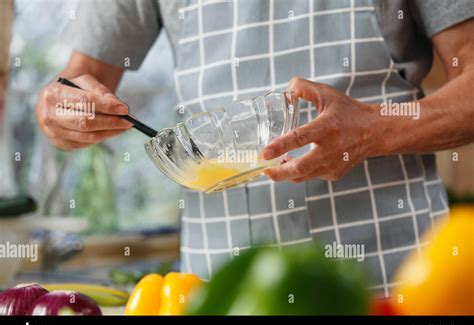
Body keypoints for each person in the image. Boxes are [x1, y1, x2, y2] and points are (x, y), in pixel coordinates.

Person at [35, 0, 474, 296]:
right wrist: (60, 108)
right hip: (218, 288)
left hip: (394, 277)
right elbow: (77, 79)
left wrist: (371, 130)